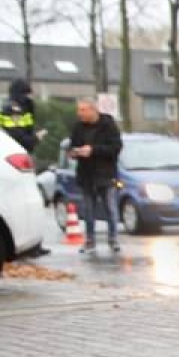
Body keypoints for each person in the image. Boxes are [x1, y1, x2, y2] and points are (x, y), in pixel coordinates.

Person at [69, 97, 123, 253]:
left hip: (106, 174)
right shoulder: (78, 127)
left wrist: (93, 150)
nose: (80, 114)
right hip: (86, 174)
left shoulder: (108, 125)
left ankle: (113, 239)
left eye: (83, 110)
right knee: (88, 210)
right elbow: (73, 144)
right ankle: (90, 240)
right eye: (79, 110)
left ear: (94, 110)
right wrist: (75, 152)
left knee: (110, 208)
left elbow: (115, 147)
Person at [0, 78, 38, 154]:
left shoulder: (4, 106)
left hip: (1, 150)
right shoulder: (15, 110)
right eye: (28, 94)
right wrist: (36, 138)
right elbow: (17, 136)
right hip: (11, 152)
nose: (31, 97)